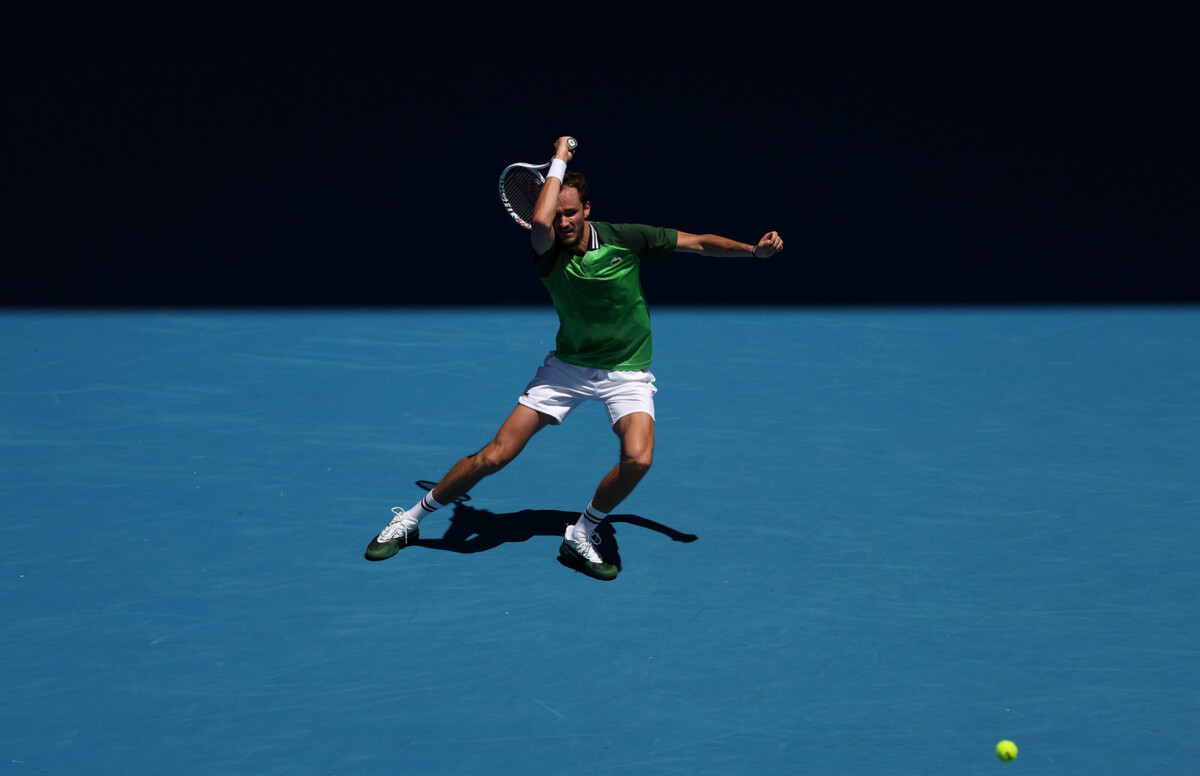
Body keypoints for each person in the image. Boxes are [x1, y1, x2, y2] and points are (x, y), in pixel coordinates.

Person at [365, 136, 783, 580]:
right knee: (494, 457)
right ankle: (410, 519)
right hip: (566, 371)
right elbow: (540, 217)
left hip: (626, 371)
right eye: (556, 214)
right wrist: (559, 159)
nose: (562, 222)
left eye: (571, 212)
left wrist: (752, 252)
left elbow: (698, 242)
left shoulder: (627, 238)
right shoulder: (547, 252)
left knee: (639, 459)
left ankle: (581, 533)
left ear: (587, 210)